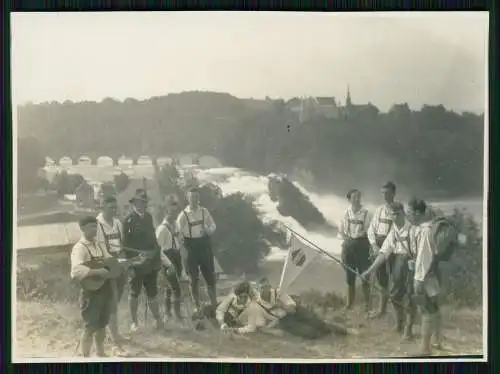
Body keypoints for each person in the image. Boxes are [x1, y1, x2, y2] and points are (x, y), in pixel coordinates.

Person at [361, 202, 417, 340]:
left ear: (403, 213)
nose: (396, 217)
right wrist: (368, 271)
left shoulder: (413, 230)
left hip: (412, 266)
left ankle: (408, 330)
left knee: (410, 297)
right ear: (391, 216)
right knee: (394, 295)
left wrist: (415, 263)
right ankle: (400, 324)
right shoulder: (393, 233)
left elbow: (420, 252)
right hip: (398, 264)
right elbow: (383, 254)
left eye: (398, 213)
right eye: (393, 214)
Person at [70, 216, 114, 357]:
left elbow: (109, 261)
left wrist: (124, 263)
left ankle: (101, 353)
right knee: (90, 326)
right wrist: (96, 271)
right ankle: (85, 357)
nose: (94, 229)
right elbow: (76, 271)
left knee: (102, 324)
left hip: (104, 289)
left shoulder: (99, 245)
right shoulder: (79, 248)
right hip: (91, 292)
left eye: (95, 226)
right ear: (82, 228)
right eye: (91, 227)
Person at [122, 189, 164, 332]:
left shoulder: (149, 218)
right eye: (139, 202)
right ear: (134, 203)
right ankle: (134, 322)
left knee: (152, 292)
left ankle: (158, 320)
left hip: (150, 263)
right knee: (134, 292)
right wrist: (132, 262)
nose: (142, 205)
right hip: (136, 263)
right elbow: (125, 245)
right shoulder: (128, 221)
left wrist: (154, 253)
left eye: (144, 203)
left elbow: (153, 240)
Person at [407, 198, 445, 356]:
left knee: (427, 309)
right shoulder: (427, 229)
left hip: (426, 274)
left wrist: (418, 279)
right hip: (433, 272)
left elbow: (424, 257)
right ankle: (437, 340)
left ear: (417, 213)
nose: (408, 215)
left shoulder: (424, 231)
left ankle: (425, 348)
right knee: (434, 307)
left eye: (409, 212)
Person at [253, 278, 350, 339]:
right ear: (258, 289)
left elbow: (293, 309)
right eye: (262, 288)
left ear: (270, 287)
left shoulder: (278, 293)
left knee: (320, 324)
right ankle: (325, 333)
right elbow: (262, 323)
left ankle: (343, 331)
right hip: (285, 321)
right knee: (311, 333)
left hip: (295, 312)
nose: (265, 290)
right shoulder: (259, 303)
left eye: (267, 287)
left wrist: (281, 305)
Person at [176, 187, 217, 316]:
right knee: (193, 279)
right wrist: (182, 243)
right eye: (192, 197)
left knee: (209, 276)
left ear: (199, 198)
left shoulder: (204, 211)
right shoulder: (183, 214)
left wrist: (209, 231)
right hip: (191, 247)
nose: (194, 199)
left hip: (204, 246)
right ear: (187, 198)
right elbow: (177, 232)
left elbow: (213, 226)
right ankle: (196, 306)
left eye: (196, 197)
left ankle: (214, 304)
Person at [96, 195, 128, 354]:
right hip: (106, 266)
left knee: (116, 300)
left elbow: (121, 246)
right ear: (103, 207)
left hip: (119, 264)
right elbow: (101, 251)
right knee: (111, 300)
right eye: (110, 208)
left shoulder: (117, 223)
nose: (114, 211)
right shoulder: (97, 225)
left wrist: (124, 261)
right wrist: (115, 263)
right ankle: (114, 338)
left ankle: (114, 333)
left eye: (115, 208)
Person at [338, 189, 372, 312]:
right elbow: (341, 230)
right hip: (348, 246)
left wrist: (361, 239)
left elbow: (369, 231)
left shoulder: (367, 213)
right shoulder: (346, 212)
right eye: (354, 197)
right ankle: (349, 304)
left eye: (358, 197)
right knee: (349, 277)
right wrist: (346, 239)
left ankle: (367, 305)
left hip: (362, 246)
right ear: (349, 199)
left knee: (364, 276)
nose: (357, 199)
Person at [366, 181, 397, 319]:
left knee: (395, 279)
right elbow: (371, 229)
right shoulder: (379, 210)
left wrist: (386, 249)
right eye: (383, 193)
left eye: (387, 193)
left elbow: (397, 231)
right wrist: (373, 245)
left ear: (393, 193)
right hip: (378, 243)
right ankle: (381, 310)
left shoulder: (398, 210)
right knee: (380, 278)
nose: (385, 196)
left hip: (392, 246)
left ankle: (398, 311)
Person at [156, 196, 188, 323]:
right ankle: (175, 314)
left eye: (176, 212)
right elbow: (158, 249)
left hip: (176, 256)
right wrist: (168, 264)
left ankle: (169, 314)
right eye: (171, 212)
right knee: (174, 288)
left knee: (171, 288)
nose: (174, 215)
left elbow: (178, 244)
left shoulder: (175, 226)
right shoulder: (162, 229)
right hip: (167, 259)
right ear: (166, 212)